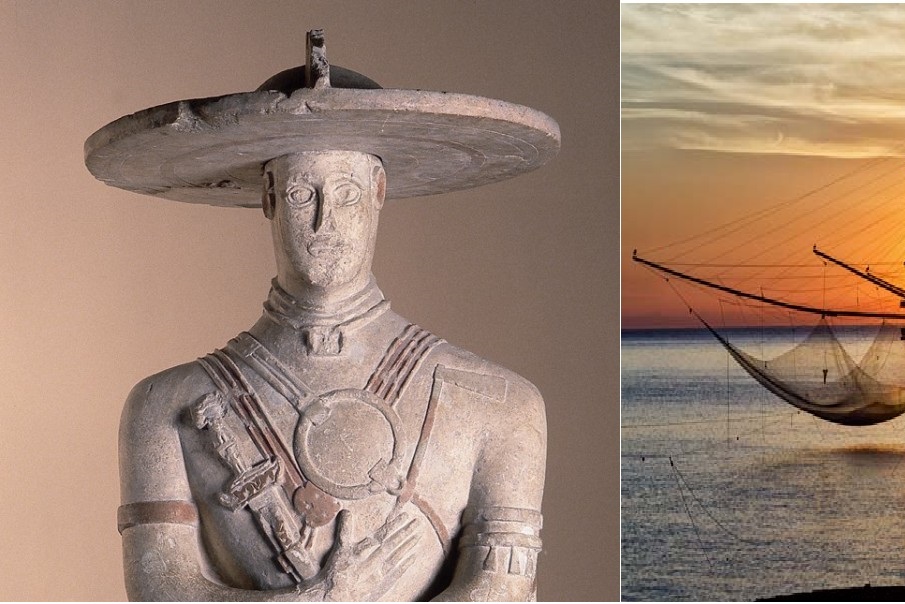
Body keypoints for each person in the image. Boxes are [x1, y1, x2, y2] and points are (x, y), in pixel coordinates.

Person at [91, 32, 557, 601]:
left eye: (345, 194)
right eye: (301, 196)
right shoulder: (162, 406)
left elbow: (502, 593)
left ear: (379, 192)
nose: (323, 225)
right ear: (268, 197)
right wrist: (325, 597)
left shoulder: (500, 405)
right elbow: (158, 592)